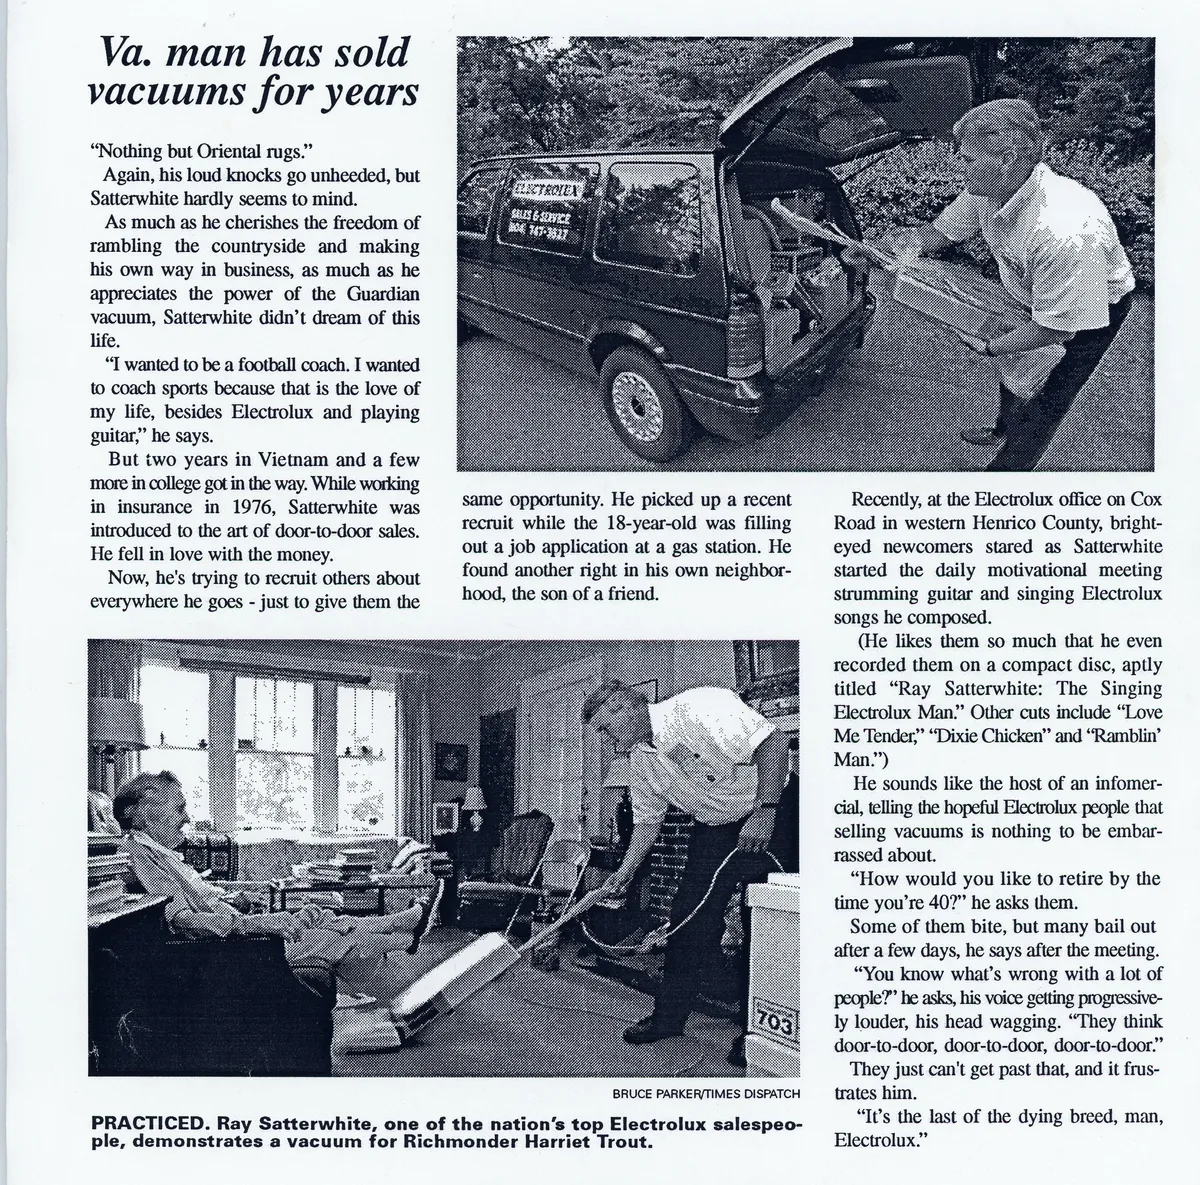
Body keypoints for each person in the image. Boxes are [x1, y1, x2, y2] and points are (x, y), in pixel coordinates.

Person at [874, 99, 1135, 471]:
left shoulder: (1066, 230)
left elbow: (1054, 328)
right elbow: (939, 233)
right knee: (1016, 367)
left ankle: (1007, 473)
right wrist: (893, 247)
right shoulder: (986, 189)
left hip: (1090, 309)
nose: (956, 166)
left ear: (1007, 158)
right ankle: (1003, 428)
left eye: (965, 157)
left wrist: (988, 344)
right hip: (1030, 294)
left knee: (1047, 400)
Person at [582, 681, 797, 1067]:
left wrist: (765, 810)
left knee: (768, 919)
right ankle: (669, 1017)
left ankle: (758, 1033)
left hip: (774, 807)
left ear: (621, 710)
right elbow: (648, 822)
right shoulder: (641, 761)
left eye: (603, 727)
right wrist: (625, 872)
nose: (604, 739)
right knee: (688, 916)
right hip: (716, 824)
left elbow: (775, 745)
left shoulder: (699, 707)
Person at [113, 771, 441, 976]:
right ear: (148, 813)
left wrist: (239, 899)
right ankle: (408, 936)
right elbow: (181, 919)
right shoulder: (137, 854)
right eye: (179, 808)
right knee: (329, 939)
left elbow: (199, 899)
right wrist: (252, 922)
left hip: (236, 926)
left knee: (322, 917)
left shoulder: (157, 851)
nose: (187, 818)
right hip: (230, 945)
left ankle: (405, 924)